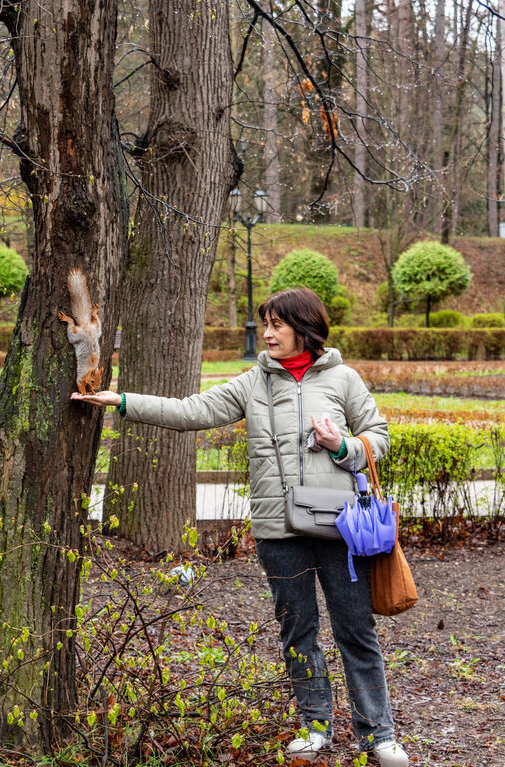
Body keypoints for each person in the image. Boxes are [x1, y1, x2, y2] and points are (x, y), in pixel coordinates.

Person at [72, 287, 408, 766]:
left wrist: (342, 446)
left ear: (304, 328)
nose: (266, 333)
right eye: (264, 324)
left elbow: (379, 437)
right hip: (279, 531)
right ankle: (315, 729)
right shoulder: (253, 383)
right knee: (299, 633)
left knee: (356, 631)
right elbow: (192, 410)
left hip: (343, 529)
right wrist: (122, 401)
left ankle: (379, 736)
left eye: (276, 324)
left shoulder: (344, 378)